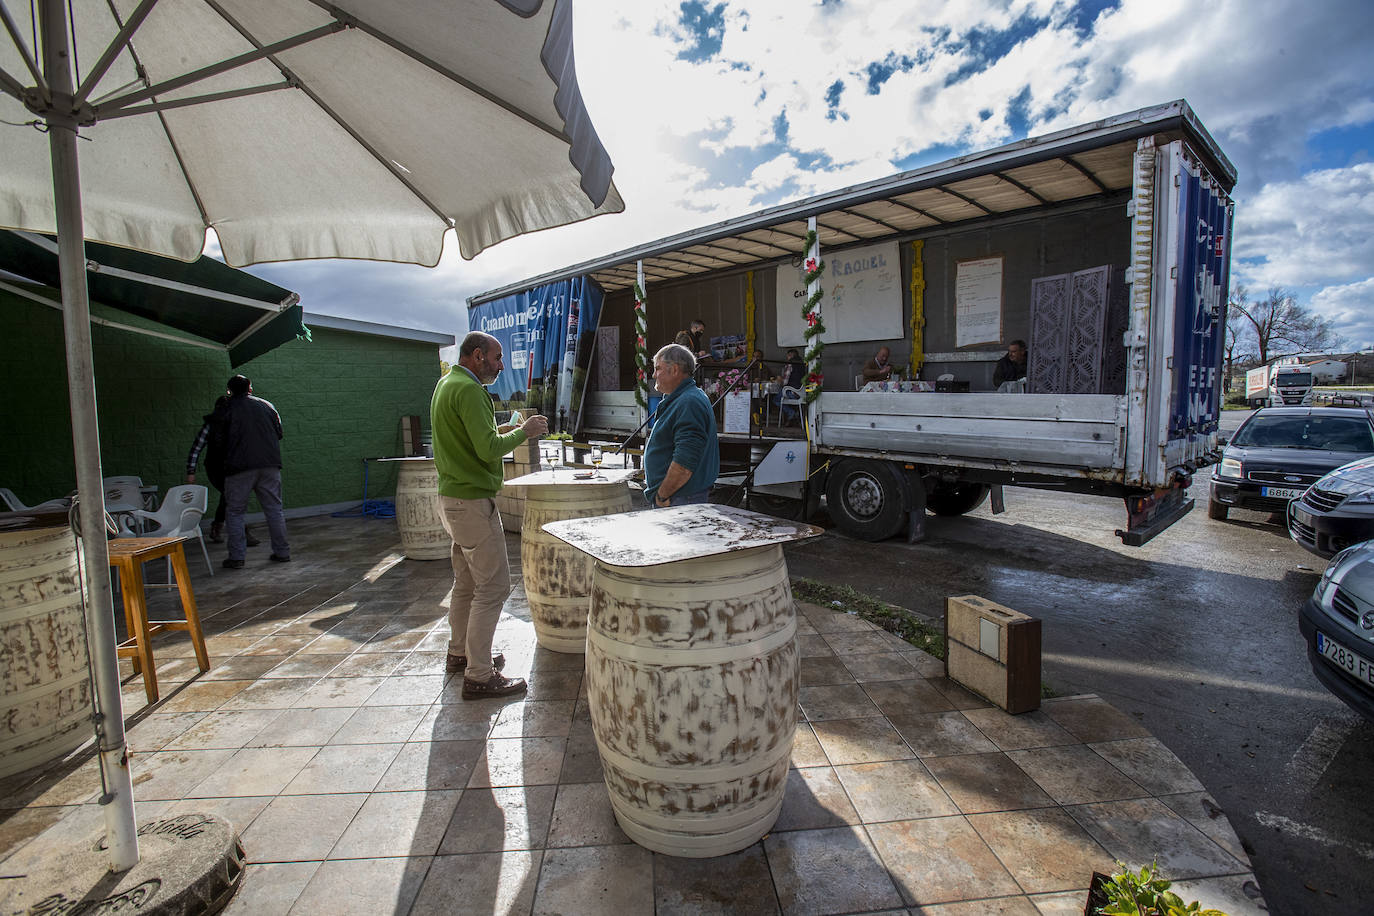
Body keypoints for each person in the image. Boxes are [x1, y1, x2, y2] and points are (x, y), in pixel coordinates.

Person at [432, 331, 549, 699]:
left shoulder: (447, 383)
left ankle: (460, 654)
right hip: (471, 503)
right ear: (478, 355)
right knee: (493, 587)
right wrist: (525, 432)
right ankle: (479, 675)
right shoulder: (469, 390)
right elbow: (485, 450)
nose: (501, 366)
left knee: (466, 583)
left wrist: (504, 430)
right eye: (497, 358)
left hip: (452, 498)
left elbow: (470, 438)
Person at [215, 375, 290, 568]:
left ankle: (237, 557)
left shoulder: (226, 408)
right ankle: (282, 552)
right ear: (250, 388)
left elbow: (218, 440)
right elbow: (279, 433)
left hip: (239, 467)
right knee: (274, 509)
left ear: (229, 390)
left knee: (235, 512)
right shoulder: (267, 406)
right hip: (270, 464)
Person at [644, 343, 719, 508]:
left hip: (680, 498)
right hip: (681, 496)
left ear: (675, 370)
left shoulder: (688, 401)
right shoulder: (685, 397)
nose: (654, 374)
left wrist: (662, 495)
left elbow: (684, 462)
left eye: (658, 369)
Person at [185, 394, 258, 545]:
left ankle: (218, 528)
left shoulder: (233, 424)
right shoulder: (212, 426)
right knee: (231, 496)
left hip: (232, 467)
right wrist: (191, 472)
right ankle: (239, 533)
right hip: (217, 468)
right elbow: (196, 448)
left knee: (230, 496)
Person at [776, 348, 806, 424]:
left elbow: (785, 382)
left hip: (793, 392)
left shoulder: (790, 364)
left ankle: (792, 413)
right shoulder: (803, 364)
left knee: (776, 399)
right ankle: (795, 415)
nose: (787, 358)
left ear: (790, 355)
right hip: (803, 392)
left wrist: (780, 379)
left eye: (788, 356)